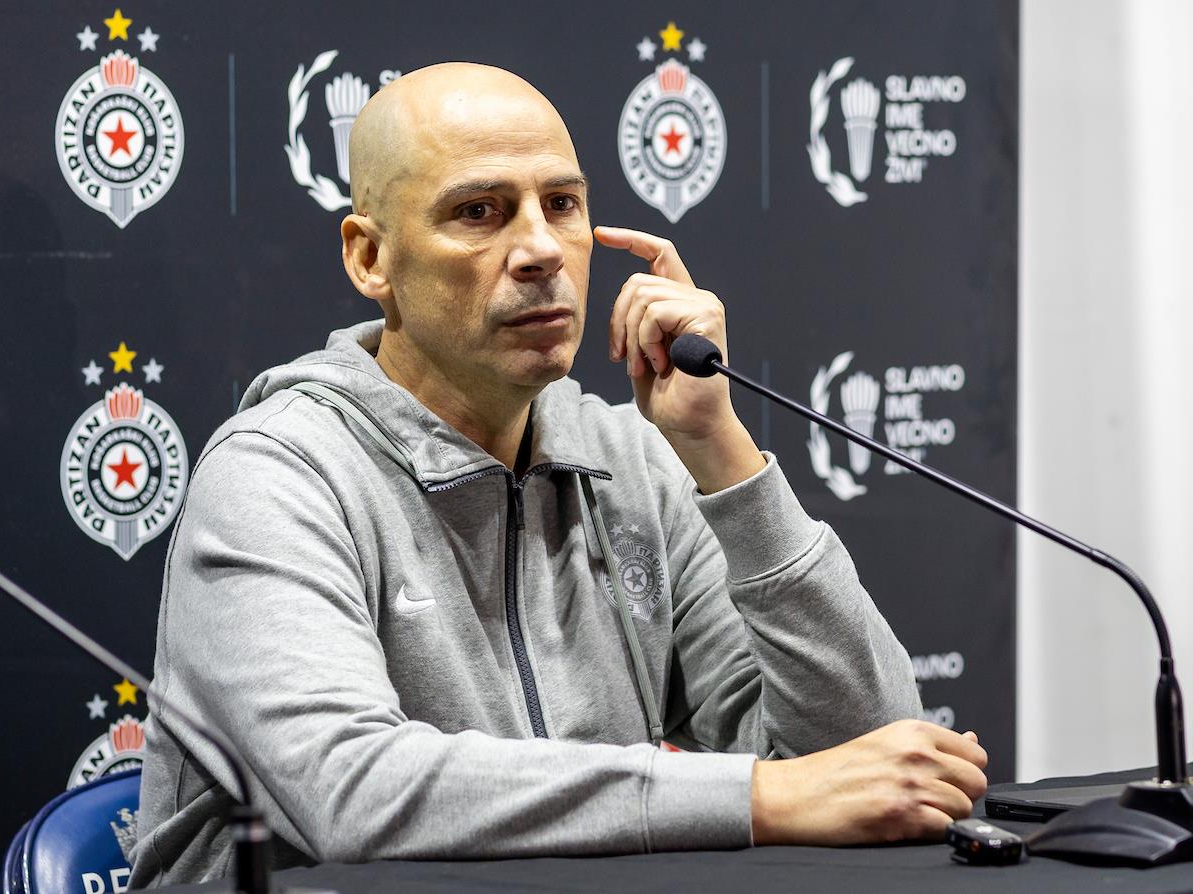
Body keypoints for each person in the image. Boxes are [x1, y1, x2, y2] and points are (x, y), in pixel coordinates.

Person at [129, 62, 987, 887]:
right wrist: (759, 797)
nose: (541, 248)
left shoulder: (632, 460)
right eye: (479, 212)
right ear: (370, 259)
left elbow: (872, 757)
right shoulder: (276, 473)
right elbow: (353, 793)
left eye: (563, 205)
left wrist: (719, 450)